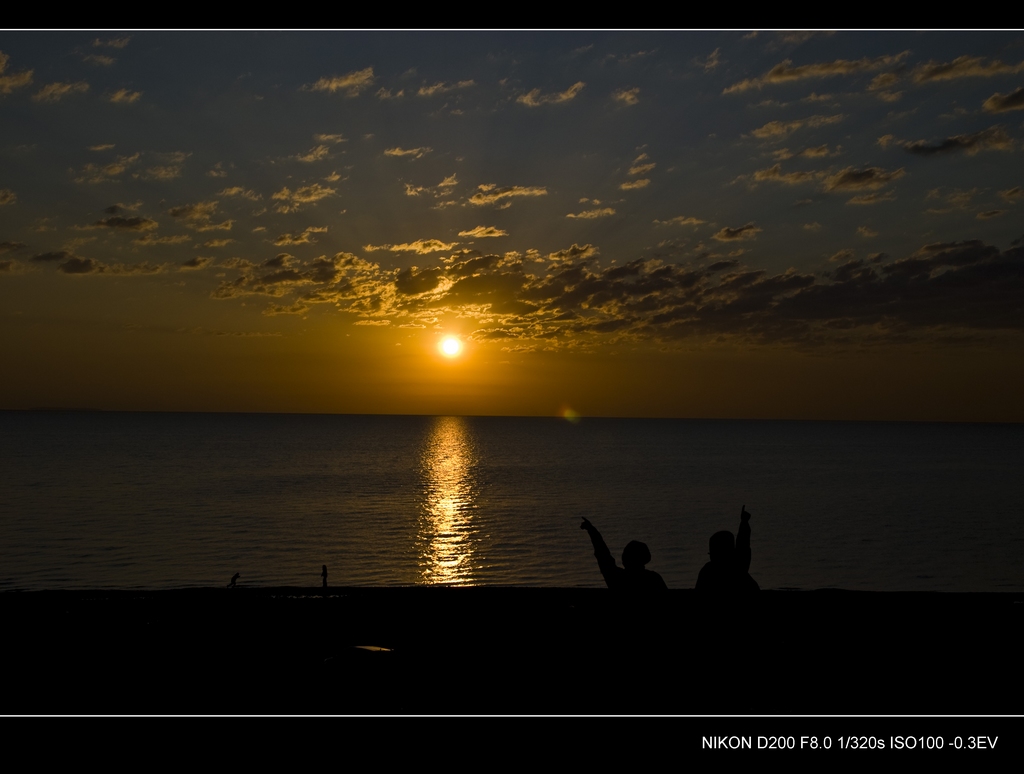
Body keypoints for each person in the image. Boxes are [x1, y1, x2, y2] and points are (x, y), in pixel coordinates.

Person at [580, 517, 668, 592]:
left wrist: (592, 530)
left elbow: (603, 555)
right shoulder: (654, 579)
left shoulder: (616, 578)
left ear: (624, 559)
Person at [695, 506, 759, 593]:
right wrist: (744, 523)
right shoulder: (738, 569)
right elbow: (743, 546)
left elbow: (742, 546)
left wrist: (744, 523)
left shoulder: (707, 572)